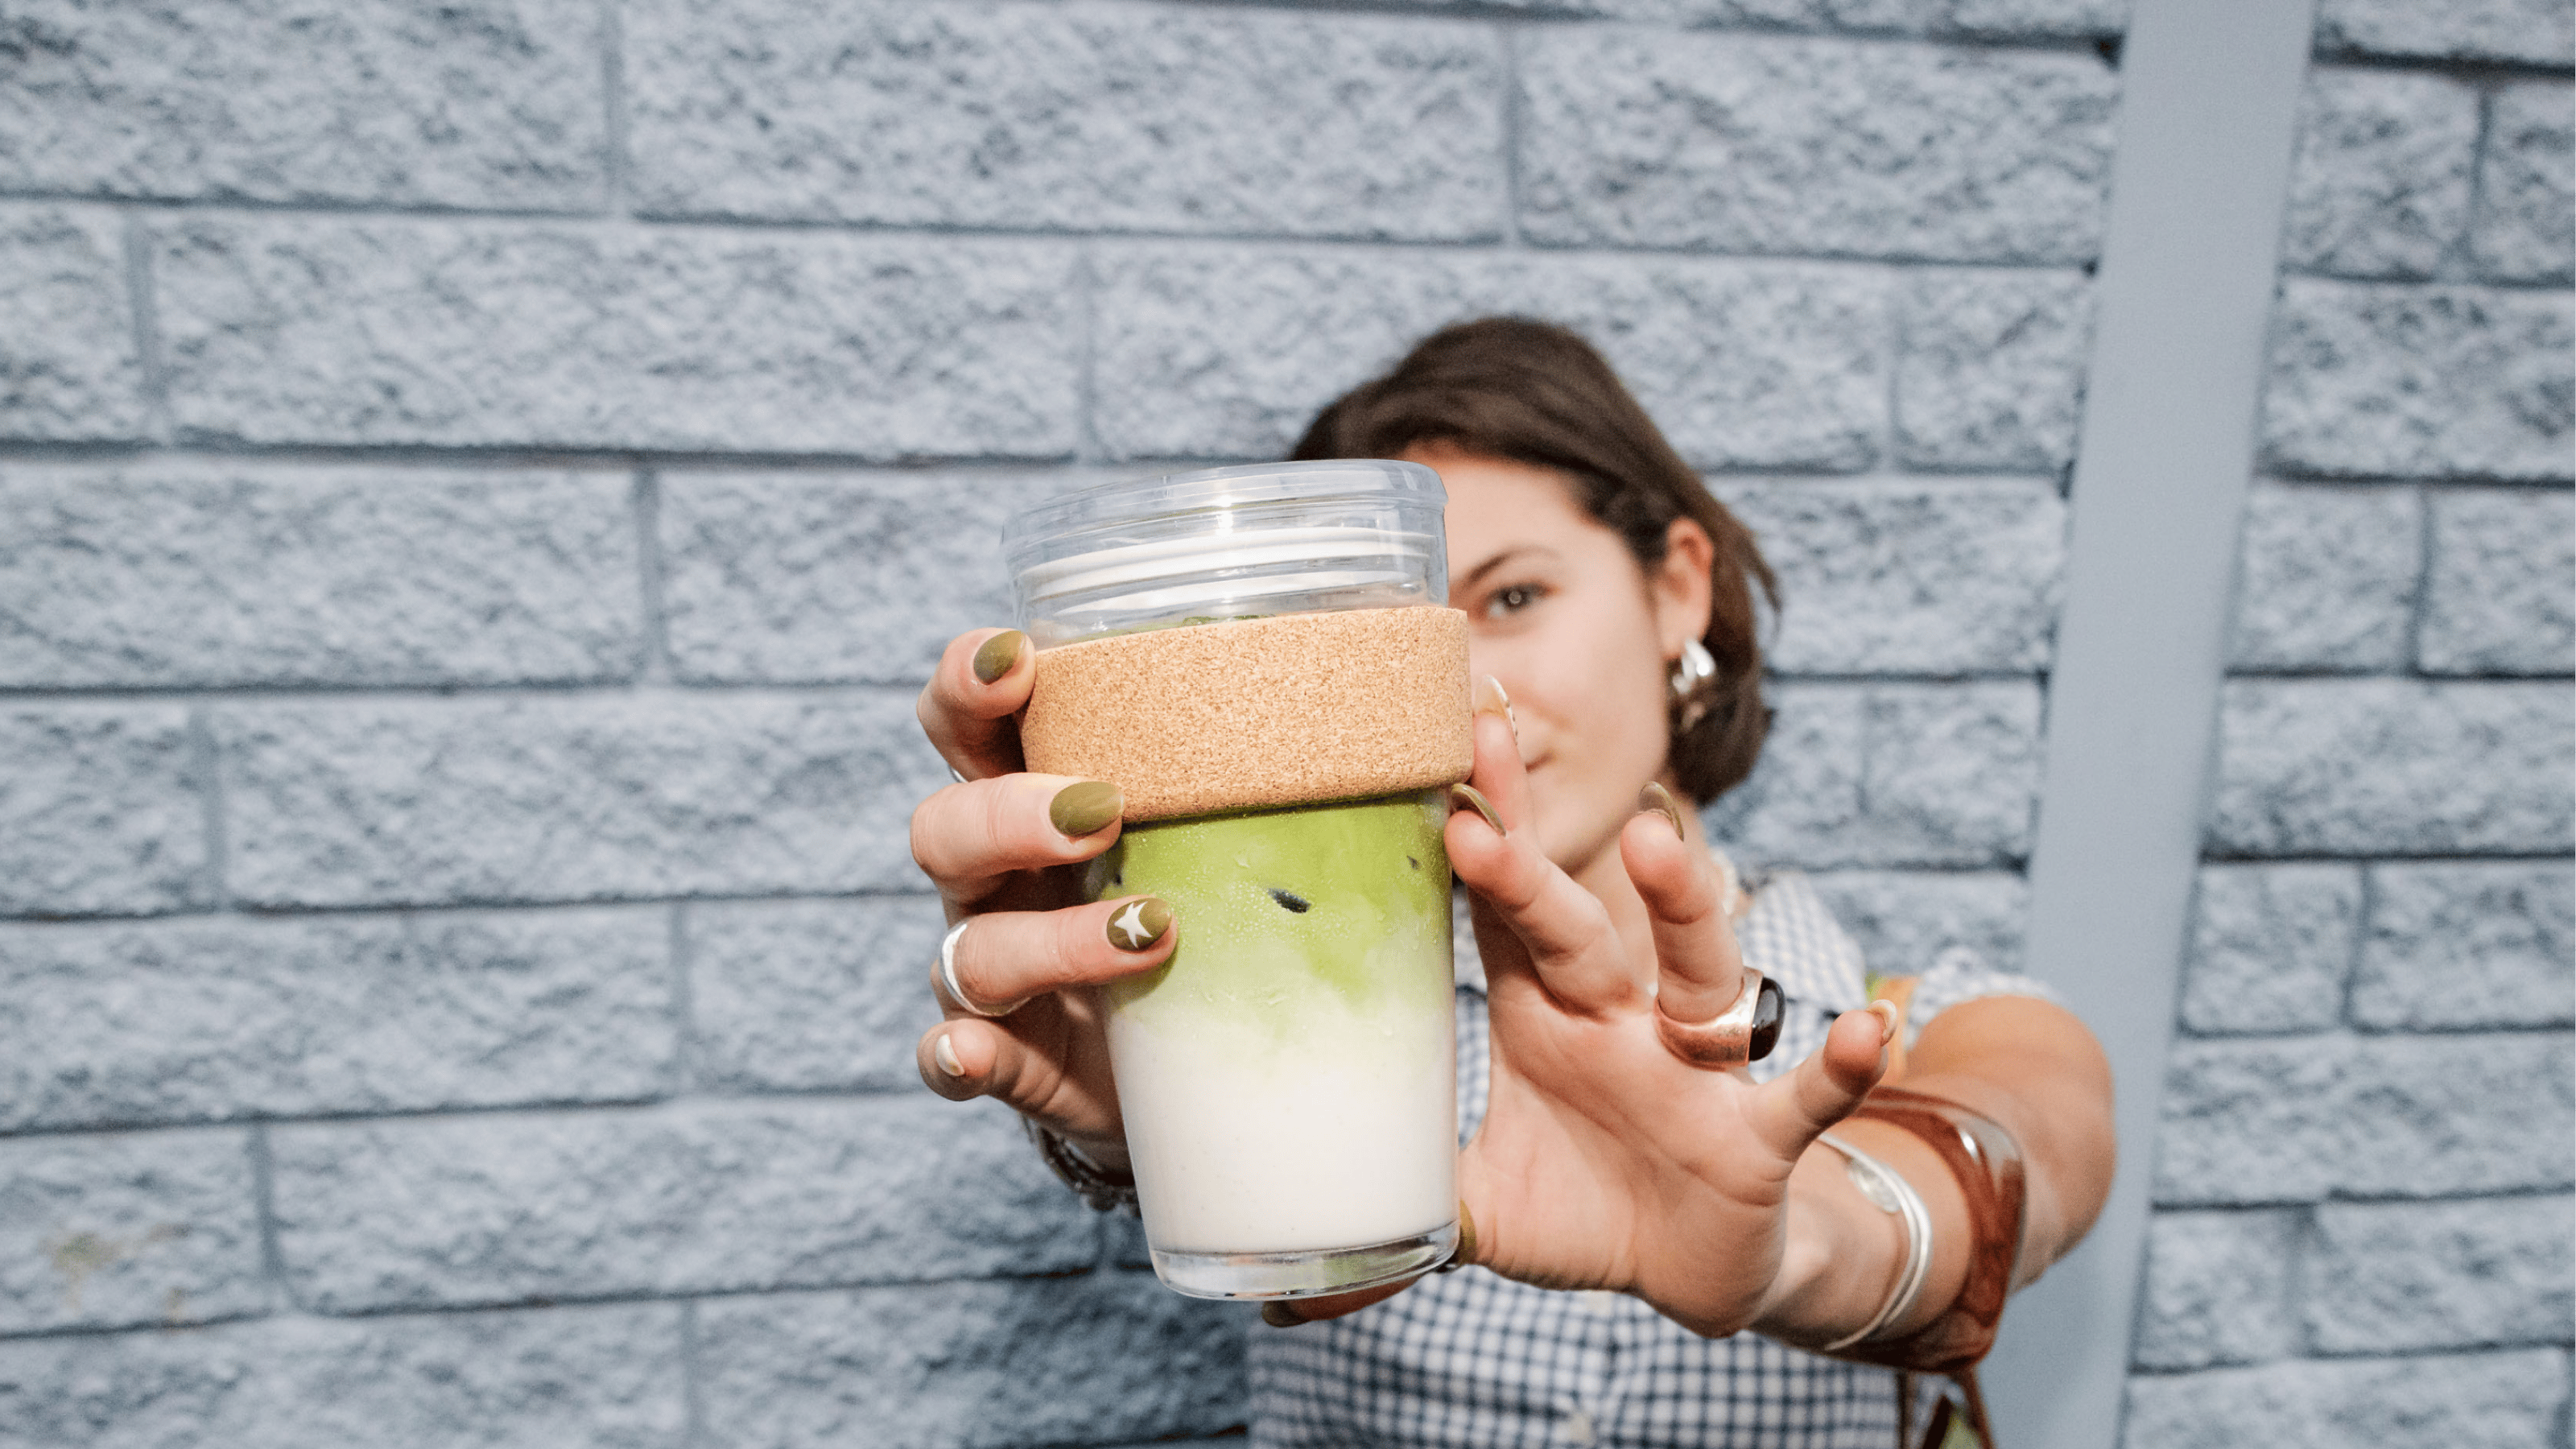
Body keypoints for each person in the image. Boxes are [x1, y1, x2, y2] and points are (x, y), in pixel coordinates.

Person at [909, 317, 2115, 1447]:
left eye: (1513, 597)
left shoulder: (1934, 1022)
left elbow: (2008, 1162)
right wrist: (1138, 1121)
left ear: (1676, 585)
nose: (1459, 685)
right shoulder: (1309, 1044)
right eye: (1395, 631)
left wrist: (1802, 1241)